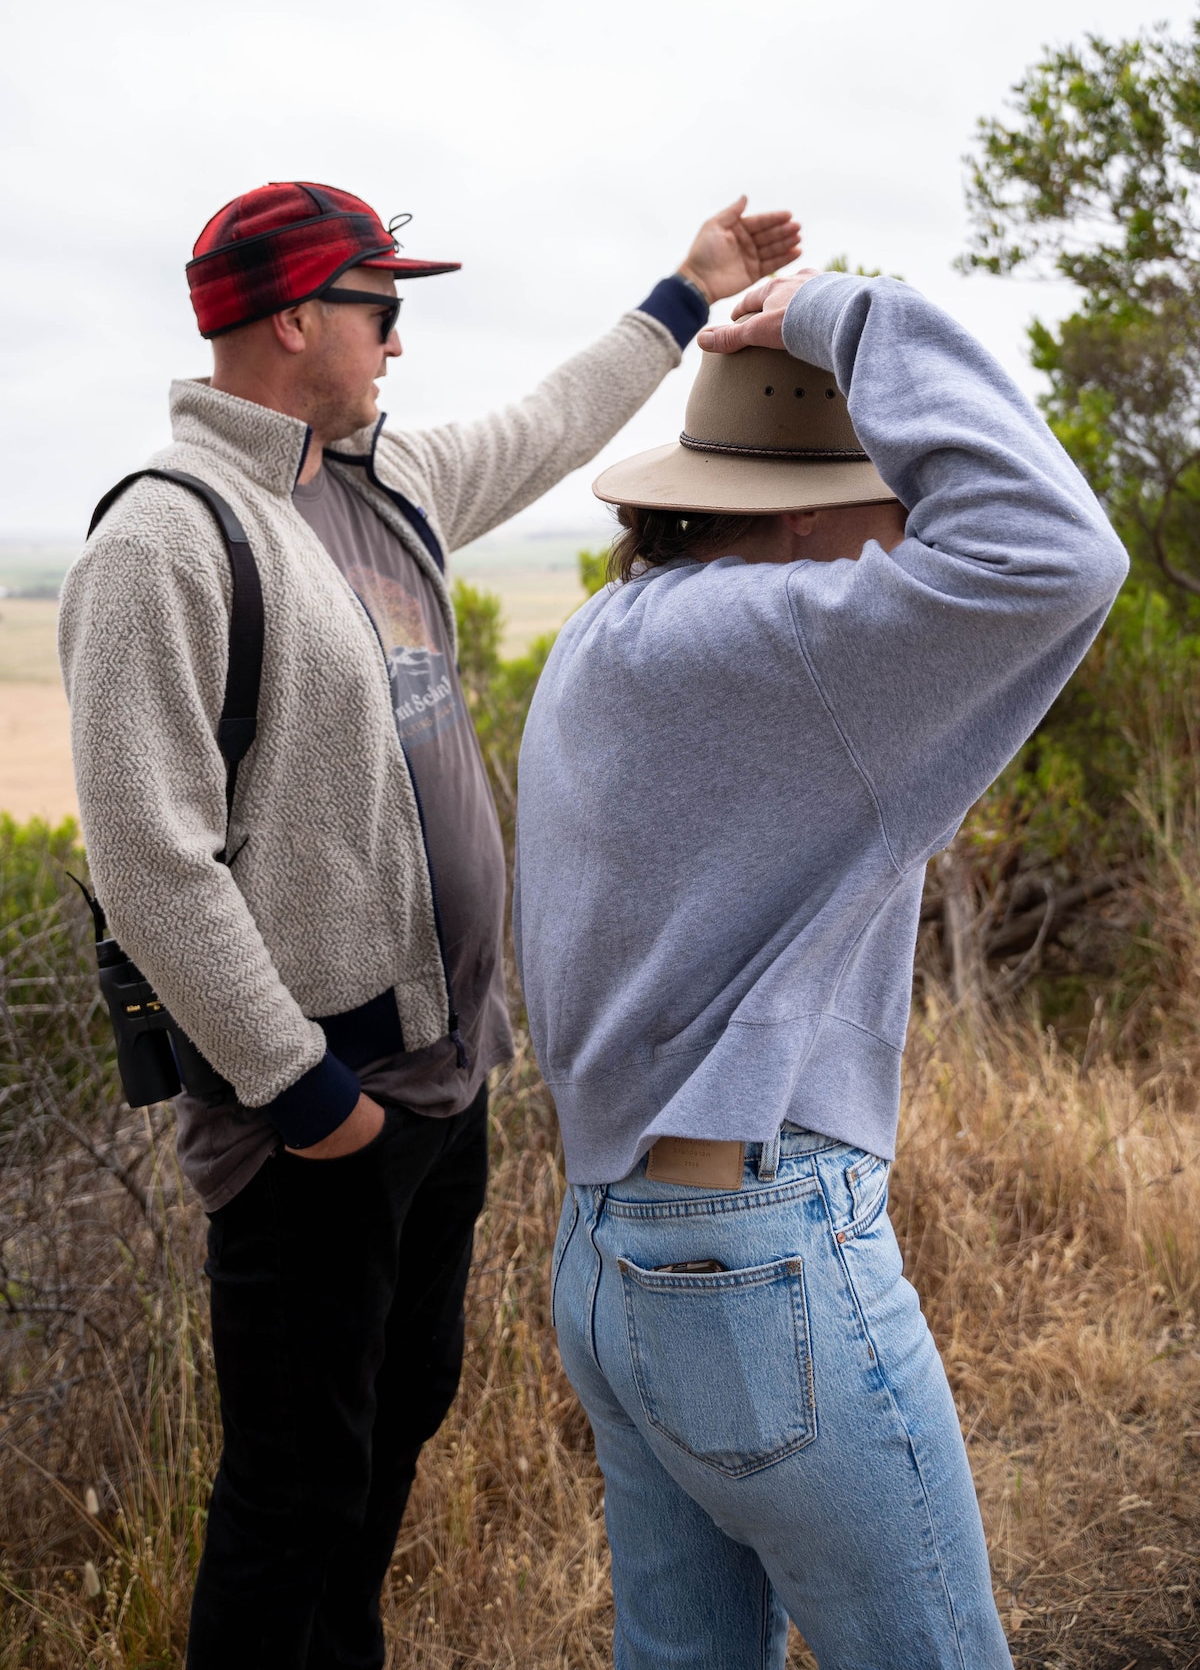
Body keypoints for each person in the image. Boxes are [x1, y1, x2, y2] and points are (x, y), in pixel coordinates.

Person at [57, 180, 801, 1670]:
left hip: (437, 1088)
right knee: (292, 1497)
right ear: (293, 318)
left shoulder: (380, 481)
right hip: (314, 1118)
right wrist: (305, 1095)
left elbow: (545, 421)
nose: (399, 338)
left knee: (386, 1447)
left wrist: (686, 290)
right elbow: (149, 857)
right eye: (380, 306)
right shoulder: (169, 538)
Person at [512, 266, 1129, 1669]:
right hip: (756, 1262)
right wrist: (846, 311)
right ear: (798, 509)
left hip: (614, 1252)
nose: (905, 527)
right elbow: (1062, 556)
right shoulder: (786, 648)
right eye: (885, 493)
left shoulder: (609, 642)